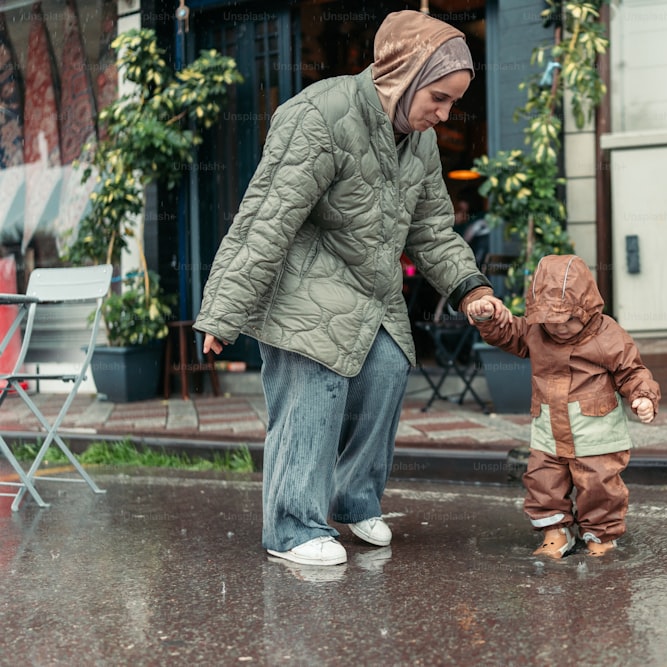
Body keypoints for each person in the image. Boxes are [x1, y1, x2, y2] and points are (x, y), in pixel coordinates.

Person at [194, 10, 511, 568]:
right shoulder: (320, 114)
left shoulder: (421, 142)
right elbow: (267, 217)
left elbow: (433, 230)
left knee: (388, 368)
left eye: (451, 102)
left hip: (370, 289)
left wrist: (470, 290)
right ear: (403, 75)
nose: (444, 114)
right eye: (437, 97)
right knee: (317, 383)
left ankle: (352, 497)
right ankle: (291, 527)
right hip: (303, 284)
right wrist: (224, 313)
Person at [466, 254, 660, 557]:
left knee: (599, 484)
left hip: (594, 432)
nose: (557, 329)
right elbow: (510, 334)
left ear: (586, 308)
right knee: (543, 482)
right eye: (548, 321)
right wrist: (488, 318)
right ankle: (555, 531)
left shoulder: (607, 334)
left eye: (567, 320)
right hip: (549, 431)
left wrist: (643, 396)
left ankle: (600, 534)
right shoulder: (536, 332)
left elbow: (632, 370)